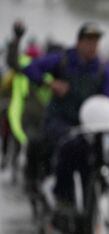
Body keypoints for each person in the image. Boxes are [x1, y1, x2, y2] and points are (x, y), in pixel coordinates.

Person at [22, 22, 109, 210]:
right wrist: (50, 83)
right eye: (88, 41)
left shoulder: (102, 68)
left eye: (95, 42)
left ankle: (91, 206)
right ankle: (62, 198)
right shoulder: (62, 60)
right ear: (79, 42)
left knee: (96, 160)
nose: (92, 47)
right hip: (61, 121)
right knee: (68, 149)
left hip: (89, 126)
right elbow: (30, 69)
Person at [6, 20, 52, 192]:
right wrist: (16, 39)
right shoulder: (25, 69)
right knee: (26, 143)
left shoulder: (50, 74)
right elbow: (13, 61)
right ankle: (25, 176)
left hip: (45, 120)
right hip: (23, 116)